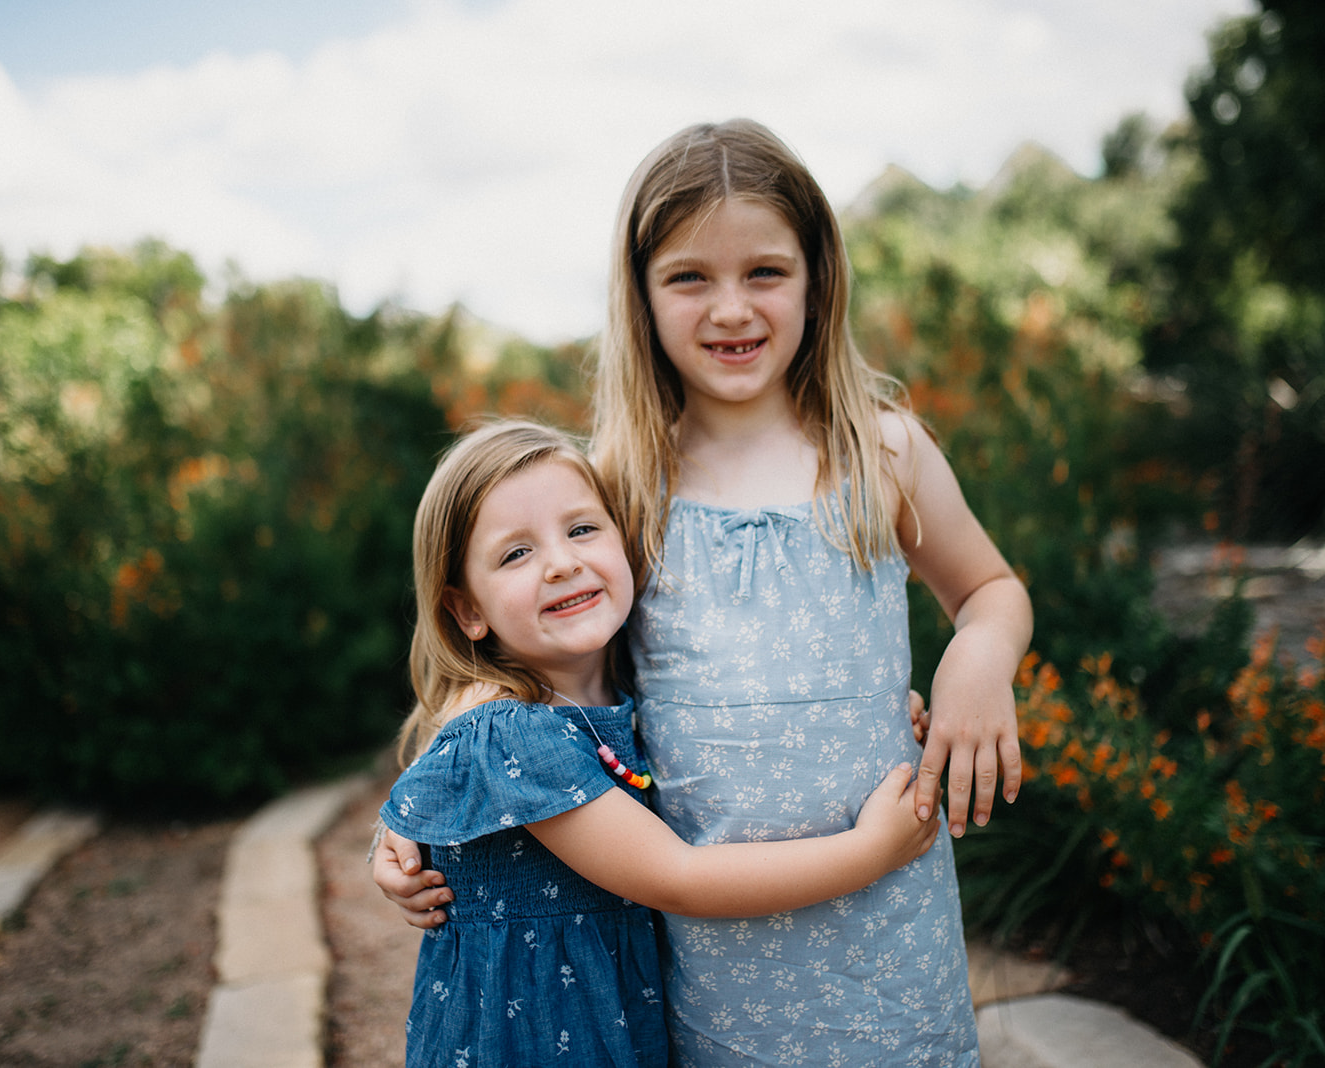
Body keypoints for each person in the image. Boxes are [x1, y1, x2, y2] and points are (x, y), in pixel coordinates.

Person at [379, 119, 1033, 1065]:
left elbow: (992, 588)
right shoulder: (621, 483)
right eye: (690, 277)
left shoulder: (883, 451)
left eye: (765, 272)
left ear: (817, 278)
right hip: (717, 960)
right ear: (641, 296)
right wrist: (402, 828)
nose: (731, 308)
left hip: (890, 929)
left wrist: (978, 655)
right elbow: (517, 680)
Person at [381, 418, 941, 1068]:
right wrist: (870, 851)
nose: (562, 562)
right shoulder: (510, 733)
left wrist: (861, 720)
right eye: (516, 554)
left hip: (610, 1023)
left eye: (582, 529)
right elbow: (678, 877)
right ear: (467, 611)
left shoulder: (624, 699)